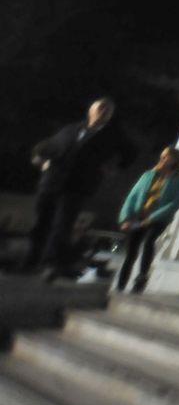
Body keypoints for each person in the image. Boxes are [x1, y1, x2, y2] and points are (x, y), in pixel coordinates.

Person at [25, 97, 135, 277]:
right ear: (91, 110)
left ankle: (50, 264)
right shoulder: (70, 130)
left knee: (62, 225)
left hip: (77, 186)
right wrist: (41, 161)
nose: (103, 111)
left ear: (111, 115)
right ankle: (31, 261)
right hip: (52, 183)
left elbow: (130, 153)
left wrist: (113, 168)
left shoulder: (112, 136)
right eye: (100, 107)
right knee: (41, 223)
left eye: (108, 109)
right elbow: (44, 148)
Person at [115, 146, 179, 292]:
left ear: (174, 160)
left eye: (166, 157)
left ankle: (141, 277)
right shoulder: (149, 175)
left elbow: (176, 202)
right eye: (162, 156)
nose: (162, 159)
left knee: (149, 241)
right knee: (132, 250)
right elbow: (133, 196)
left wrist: (154, 217)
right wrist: (125, 218)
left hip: (158, 218)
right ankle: (121, 284)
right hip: (139, 216)